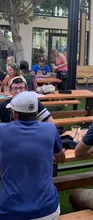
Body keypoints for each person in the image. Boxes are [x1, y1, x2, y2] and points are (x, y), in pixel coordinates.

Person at [0, 91, 65, 219]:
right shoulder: (50, 129)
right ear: (36, 113)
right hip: (48, 211)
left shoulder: (2, 130)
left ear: (14, 113)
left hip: (10, 213)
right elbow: (61, 159)